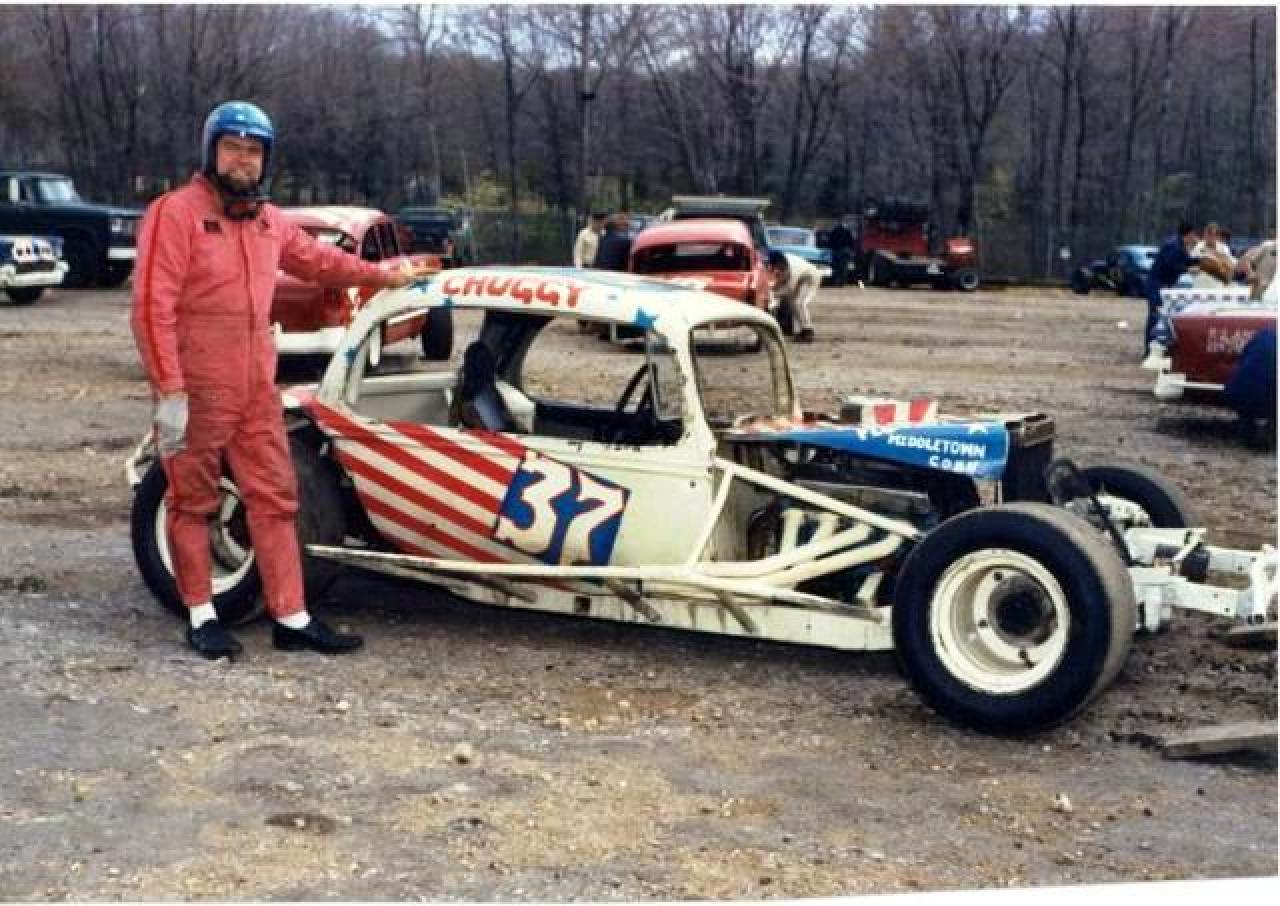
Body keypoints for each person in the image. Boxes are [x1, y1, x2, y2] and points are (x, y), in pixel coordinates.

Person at [130, 101, 424, 661]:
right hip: (195, 388)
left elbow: (319, 262)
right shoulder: (175, 213)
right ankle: (201, 615)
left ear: (266, 159)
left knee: (276, 497)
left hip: (255, 388)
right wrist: (169, 390)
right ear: (211, 151)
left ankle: (291, 616)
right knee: (191, 500)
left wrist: (384, 276)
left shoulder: (269, 220)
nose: (242, 161)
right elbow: (151, 308)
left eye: (253, 151)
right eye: (232, 148)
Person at [1142, 222, 1201, 358]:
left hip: (1163, 284)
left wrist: (1202, 261)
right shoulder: (1173, 246)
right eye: (1194, 235)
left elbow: (1187, 260)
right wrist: (1188, 270)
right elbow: (1171, 265)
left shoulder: (1180, 245)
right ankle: (1149, 350)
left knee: (1163, 316)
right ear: (1189, 234)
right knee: (1156, 315)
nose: (1195, 238)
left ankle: (1160, 347)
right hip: (1156, 284)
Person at [1224, 326, 1276, 449]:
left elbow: (1242, 359)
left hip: (1234, 391)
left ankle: (1248, 434)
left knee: (1248, 408)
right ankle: (1267, 437)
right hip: (1262, 396)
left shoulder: (1263, 334)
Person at [768, 250, 820, 343]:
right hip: (802, 277)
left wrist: (773, 293)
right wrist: (773, 288)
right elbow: (780, 280)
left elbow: (789, 289)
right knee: (793, 304)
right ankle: (799, 330)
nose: (776, 268)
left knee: (799, 303)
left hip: (810, 277)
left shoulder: (792, 268)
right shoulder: (782, 262)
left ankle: (808, 331)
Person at [1190, 222, 1235, 288]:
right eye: (1208, 233)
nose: (1210, 237)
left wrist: (1214, 254)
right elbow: (1191, 267)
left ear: (1217, 236)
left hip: (1219, 283)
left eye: (1213, 234)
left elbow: (1230, 266)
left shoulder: (1223, 248)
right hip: (1201, 281)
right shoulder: (1198, 247)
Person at [826, 216, 855, 288]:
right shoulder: (848, 231)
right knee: (843, 268)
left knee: (835, 267)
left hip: (836, 251)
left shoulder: (835, 230)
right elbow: (851, 242)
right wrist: (851, 250)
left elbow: (830, 240)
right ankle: (842, 282)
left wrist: (830, 247)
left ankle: (835, 282)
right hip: (844, 251)